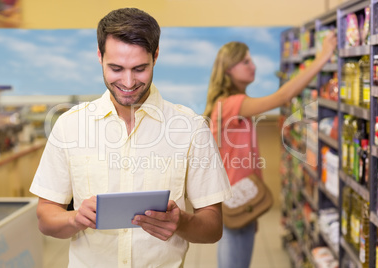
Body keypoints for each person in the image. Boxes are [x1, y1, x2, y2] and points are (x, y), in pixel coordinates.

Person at [30, 7, 232, 267]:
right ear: (99, 56)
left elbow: (213, 227)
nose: (127, 82)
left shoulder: (191, 128)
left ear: (155, 56)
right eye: (116, 68)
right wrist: (75, 219)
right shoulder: (70, 126)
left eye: (139, 69)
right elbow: (45, 217)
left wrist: (182, 221)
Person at [203, 32, 337, 267]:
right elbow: (283, 96)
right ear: (228, 69)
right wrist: (324, 55)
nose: (253, 66)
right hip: (236, 198)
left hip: (240, 198)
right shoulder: (232, 103)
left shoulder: (232, 102)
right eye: (245, 62)